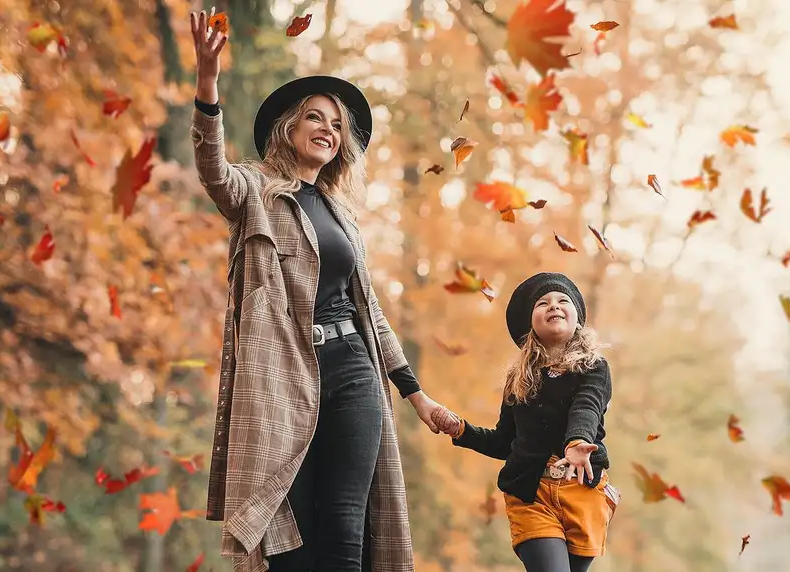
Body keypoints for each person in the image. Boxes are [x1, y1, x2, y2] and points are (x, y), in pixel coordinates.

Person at [189, 8, 459, 572]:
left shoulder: (342, 216)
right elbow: (212, 170)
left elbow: (371, 312)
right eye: (315, 118)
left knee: (346, 526)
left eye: (336, 126)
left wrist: (417, 395)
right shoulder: (255, 192)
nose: (328, 131)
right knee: (287, 527)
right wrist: (208, 85)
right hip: (283, 375)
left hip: (354, 370)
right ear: (289, 127)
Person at [434, 272, 620, 572]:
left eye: (562, 300)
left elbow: (587, 406)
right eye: (543, 303)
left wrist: (576, 442)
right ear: (530, 323)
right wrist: (461, 430)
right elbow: (504, 441)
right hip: (531, 496)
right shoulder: (518, 380)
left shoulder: (594, 368)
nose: (554, 306)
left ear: (577, 319)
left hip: (581, 491)